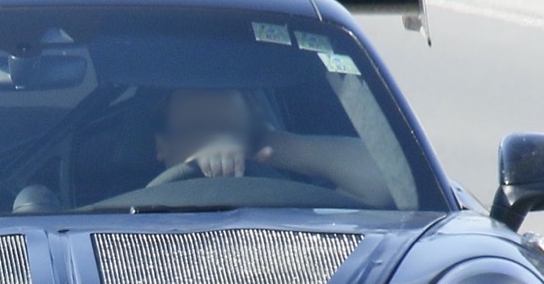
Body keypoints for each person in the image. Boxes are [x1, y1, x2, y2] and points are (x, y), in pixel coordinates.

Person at [152, 88, 394, 207]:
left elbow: (387, 178)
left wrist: (264, 143)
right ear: (162, 144)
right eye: (198, 127)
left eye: (225, 126)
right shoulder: (119, 209)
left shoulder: (293, 207)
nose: (216, 148)